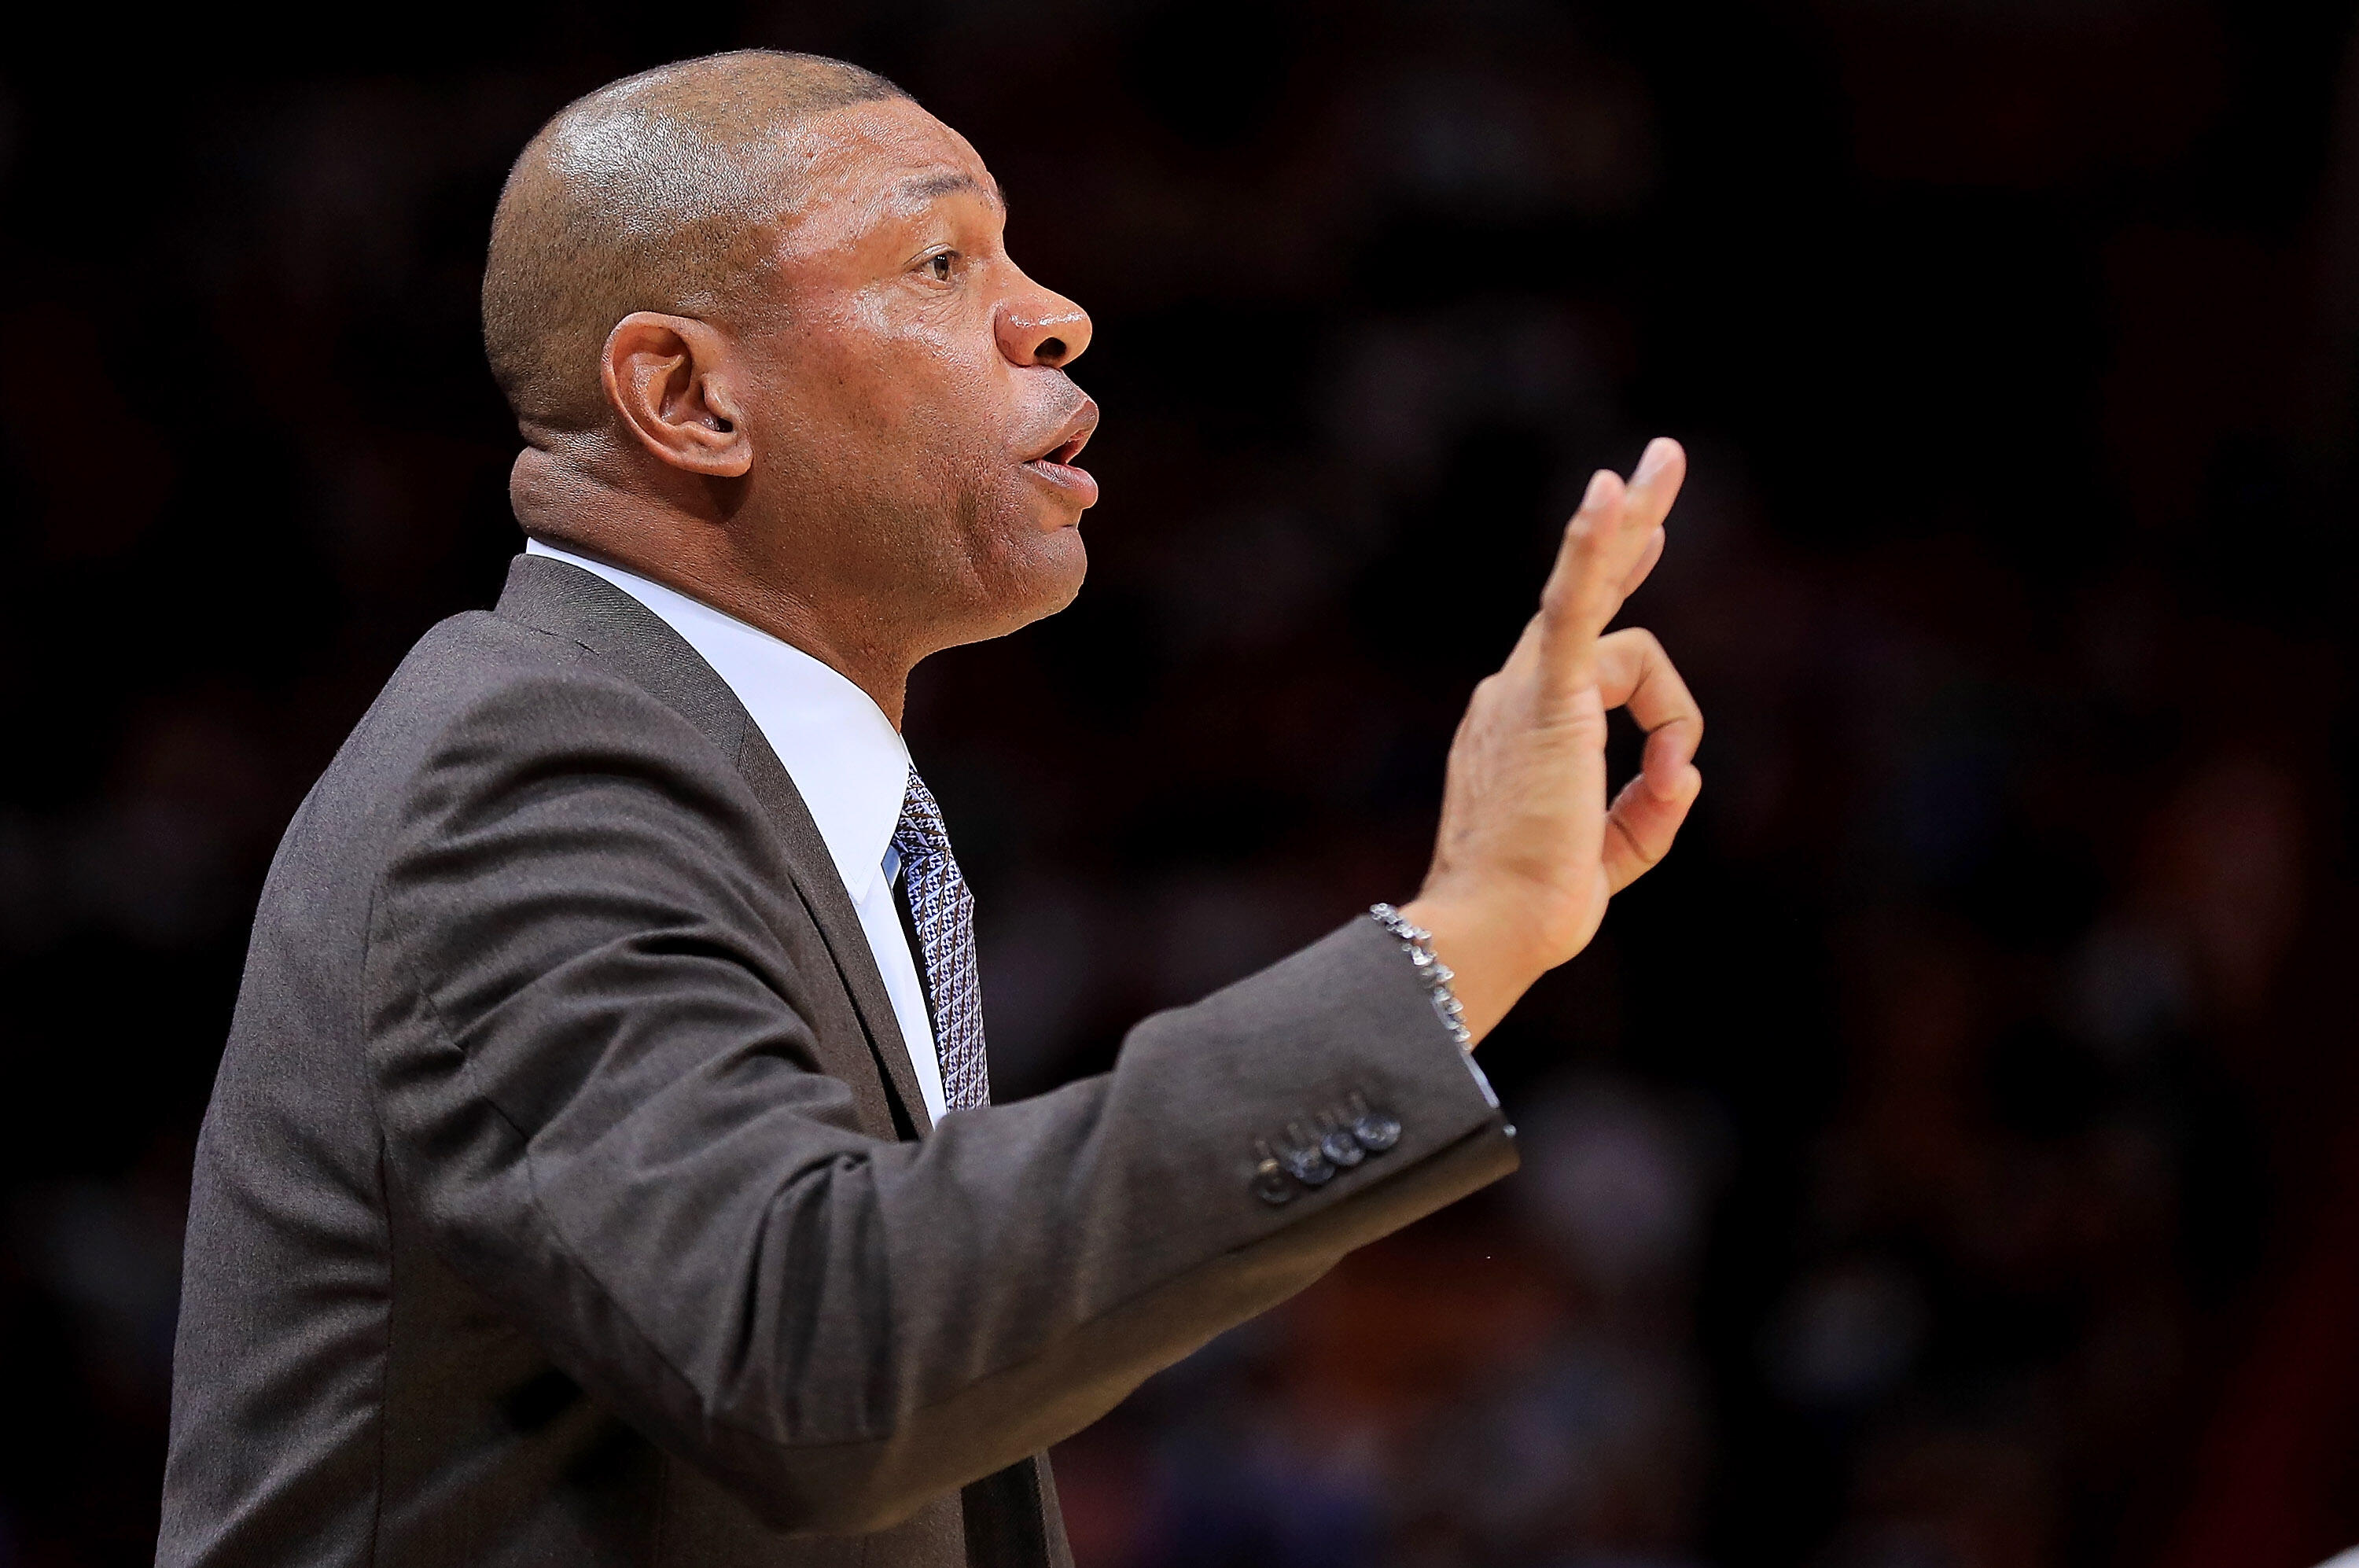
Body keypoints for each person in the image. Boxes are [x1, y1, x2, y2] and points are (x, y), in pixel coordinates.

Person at [155, 49, 1705, 1568]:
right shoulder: (526, 773)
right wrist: (1460, 940)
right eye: (942, 256)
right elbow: (811, 1346)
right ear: (688, 397)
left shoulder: (739, 783)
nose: (1055, 311)